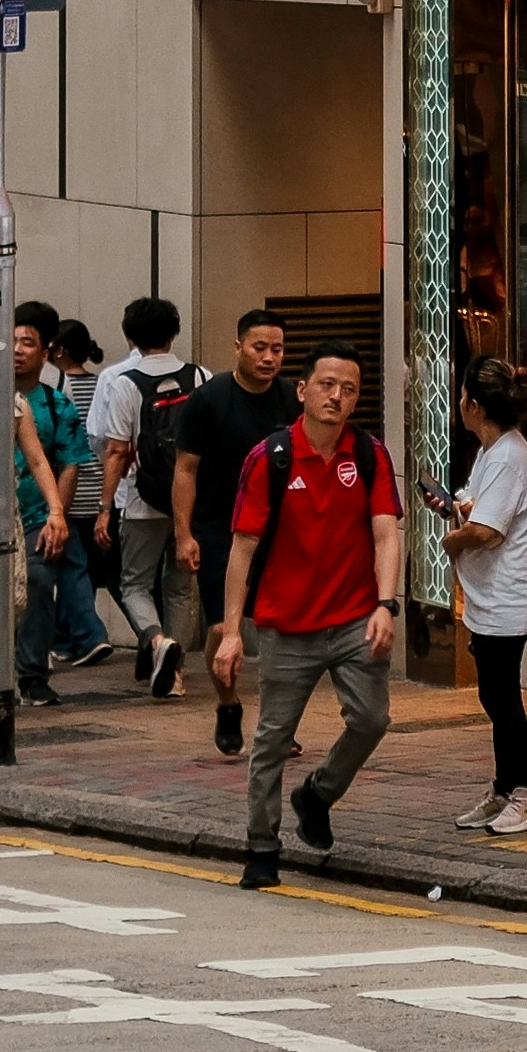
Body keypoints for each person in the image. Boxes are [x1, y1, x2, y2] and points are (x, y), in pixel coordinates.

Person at [215, 347, 401, 888]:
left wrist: (386, 605)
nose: (335, 396)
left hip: (354, 619)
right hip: (285, 625)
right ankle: (262, 847)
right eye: (325, 385)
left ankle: (317, 794)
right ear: (302, 390)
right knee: (273, 738)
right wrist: (231, 632)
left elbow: (387, 533)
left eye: (347, 388)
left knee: (372, 720)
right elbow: (242, 549)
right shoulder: (269, 457)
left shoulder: (368, 454)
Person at [172, 306, 301, 753]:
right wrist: (183, 534)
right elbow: (186, 470)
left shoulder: (292, 399)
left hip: (280, 532)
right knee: (221, 628)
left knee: (280, 632)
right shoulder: (207, 402)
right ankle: (228, 703)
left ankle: (279, 724)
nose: (269, 357)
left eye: (278, 349)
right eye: (260, 347)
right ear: (238, 348)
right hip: (219, 530)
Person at [445, 356, 527, 836]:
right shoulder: (494, 451)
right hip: (493, 594)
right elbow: (487, 512)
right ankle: (505, 786)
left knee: (502, 697)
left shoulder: (509, 455)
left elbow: (488, 530)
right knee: (496, 694)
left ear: (473, 404)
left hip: (507, 596)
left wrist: (453, 538)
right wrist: (461, 508)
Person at [92, 296, 200, 697]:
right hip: (191, 498)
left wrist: (105, 508)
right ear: (175, 332)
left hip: (143, 500)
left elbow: (117, 450)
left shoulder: (126, 382)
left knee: (135, 584)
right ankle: (175, 676)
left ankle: (157, 643)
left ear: (130, 337)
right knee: (181, 586)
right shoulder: (200, 377)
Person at [5, 303, 107, 707]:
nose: (16, 349)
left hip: (34, 515)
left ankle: (32, 674)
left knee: (39, 582)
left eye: (27, 342)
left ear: (45, 353)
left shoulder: (55, 404)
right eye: (11, 340)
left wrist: (57, 516)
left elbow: (69, 465)